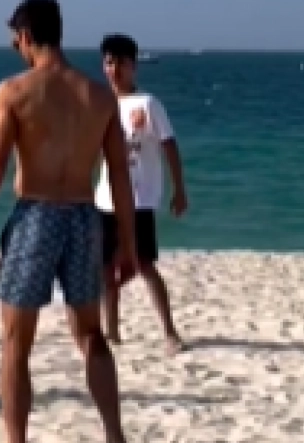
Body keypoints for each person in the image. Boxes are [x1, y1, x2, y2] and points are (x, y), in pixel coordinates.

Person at [0, 0, 144, 443]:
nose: (13, 46)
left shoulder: (14, 91)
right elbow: (120, 175)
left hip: (36, 217)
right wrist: (127, 242)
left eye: (13, 38)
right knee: (91, 334)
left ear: (25, 36)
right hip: (84, 217)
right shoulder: (98, 96)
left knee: (16, 342)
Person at [97, 34, 188, 355]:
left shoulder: (148, 104)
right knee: (106, 268)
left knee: (144, 264)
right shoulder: (101, 104)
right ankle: (111, 333)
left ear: (133, 66)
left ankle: (170, 333)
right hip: (105, 198)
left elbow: (169, 145)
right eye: (109, 62)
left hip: (140, 199)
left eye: (121, 63)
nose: (115, 69)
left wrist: (179, 188)